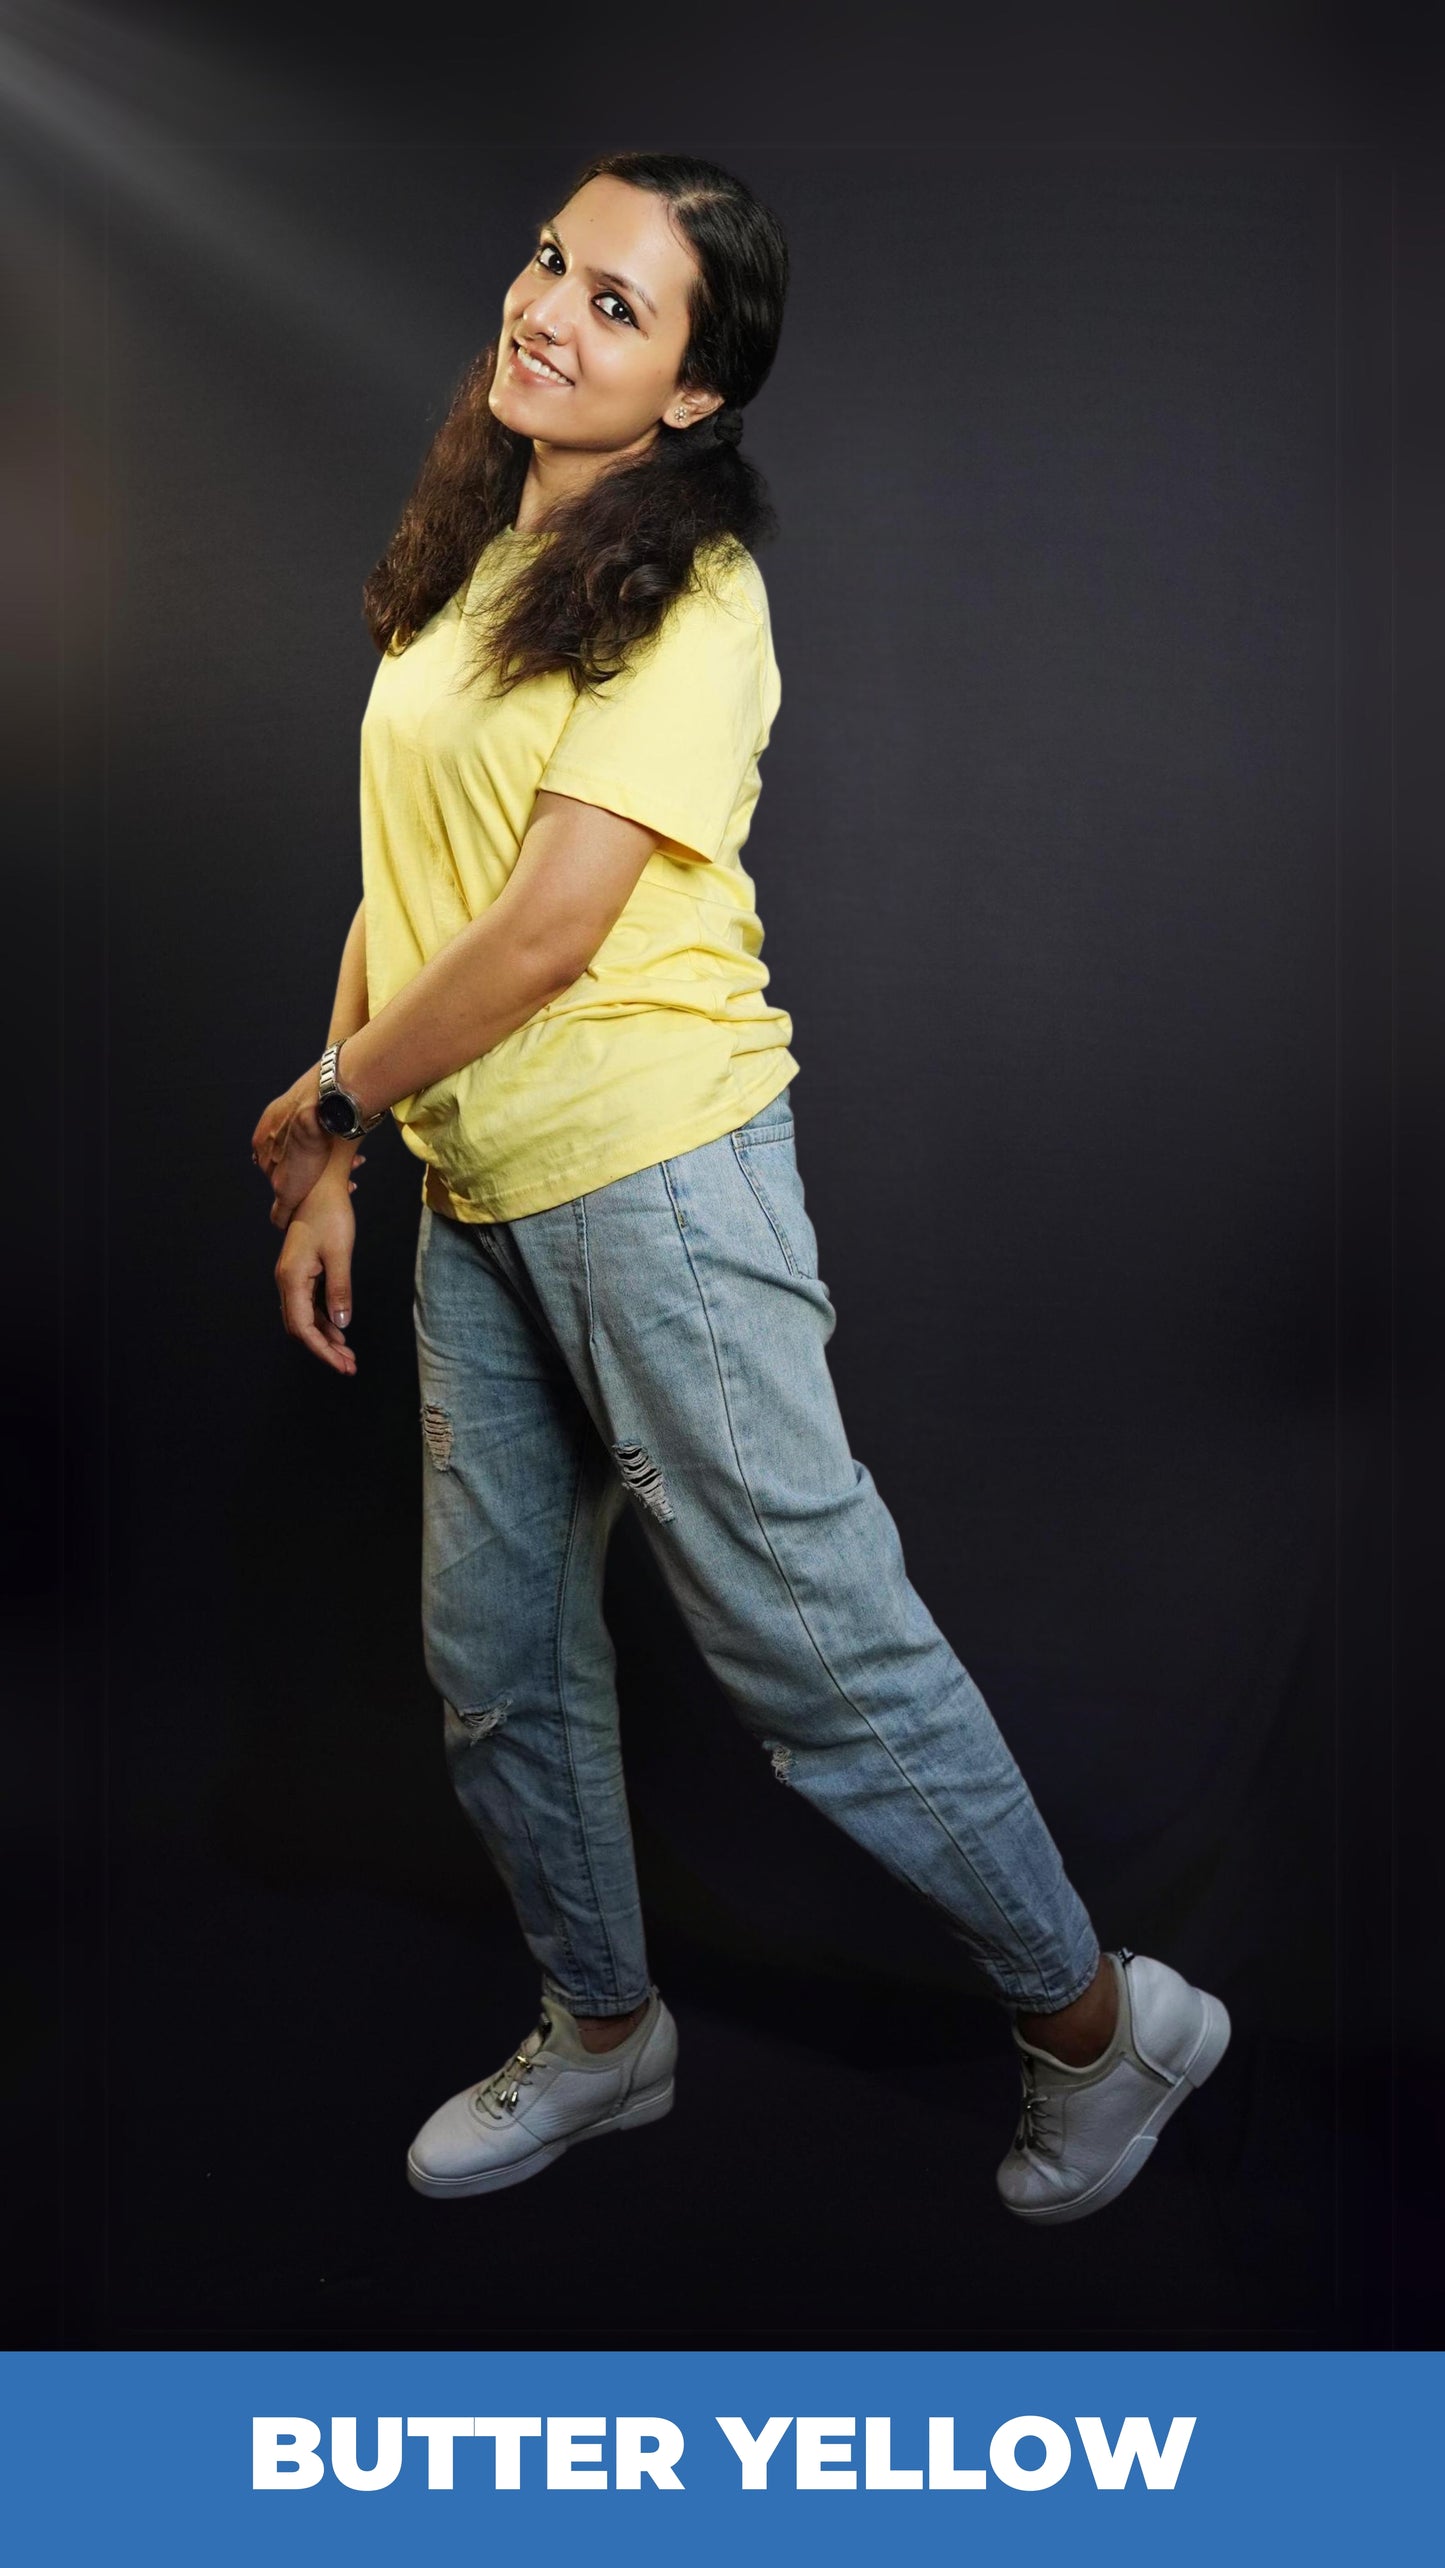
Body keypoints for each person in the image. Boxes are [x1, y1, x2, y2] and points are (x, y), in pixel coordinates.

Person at [251, 150, 1230, 2224]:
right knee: (494, 1653)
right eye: (549, 263)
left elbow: (541, 929)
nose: (551, 311)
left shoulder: (689, 593)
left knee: (812, 1653)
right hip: (477, 1189)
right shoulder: (474, 553)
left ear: (697, 393)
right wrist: (342, 1144)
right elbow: (411, 886)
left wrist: (322, 1099)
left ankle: (1096, 2026)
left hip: (657, 1186)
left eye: (622, 306)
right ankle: (607, 2038)